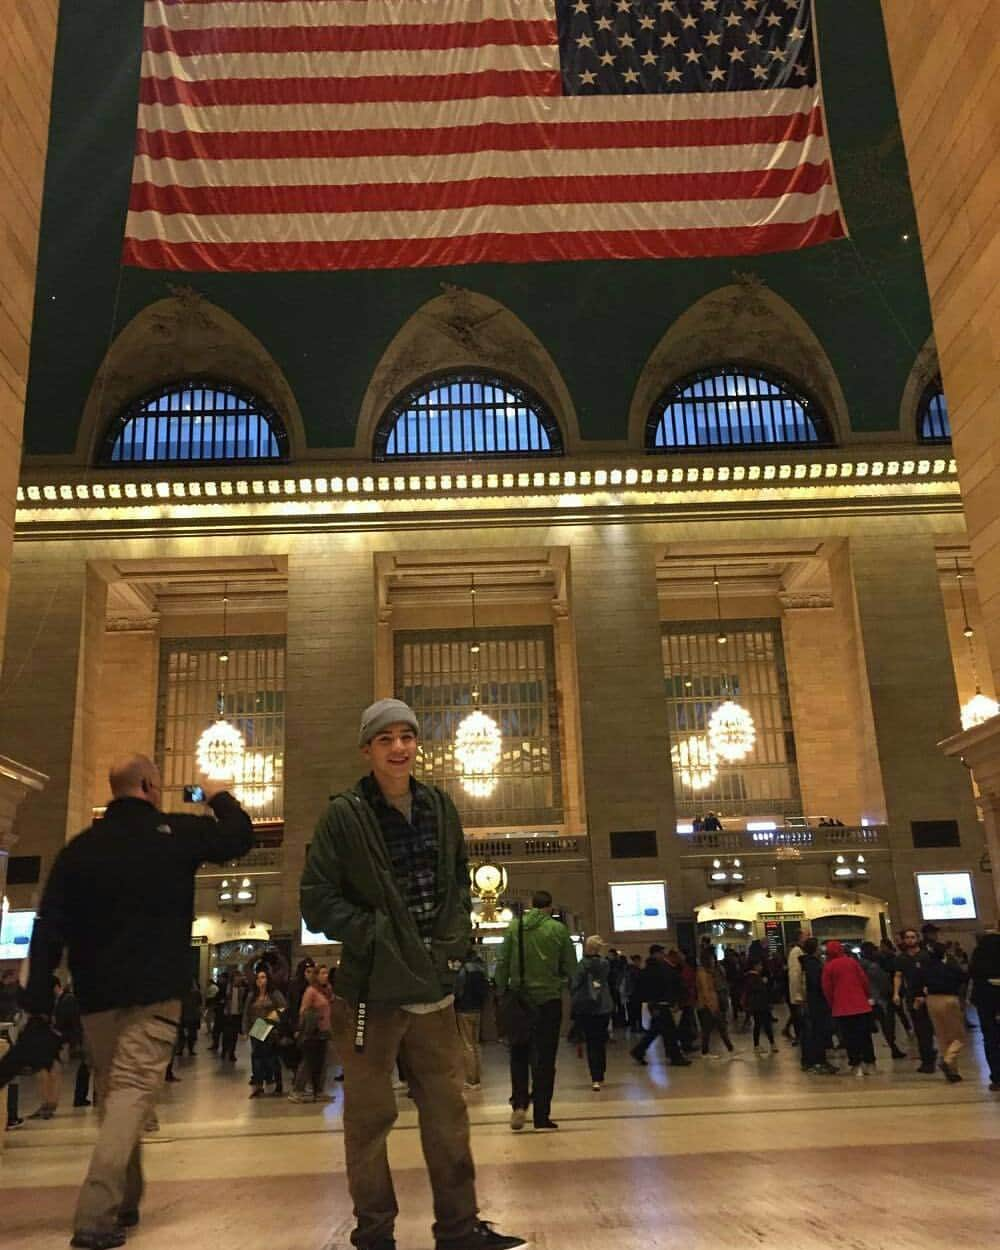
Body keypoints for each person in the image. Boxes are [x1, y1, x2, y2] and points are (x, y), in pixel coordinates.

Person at [300, 697, 524, 1250]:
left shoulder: (440, 807)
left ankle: (459, 1227)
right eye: (386, 739)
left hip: (431, 989)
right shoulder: (344, 816)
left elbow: (455, 880)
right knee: (369, 1121)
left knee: (448, 1114)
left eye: (407, 737)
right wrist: (374, 935)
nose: (399, 748)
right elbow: (316, 900)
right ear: (367, 750)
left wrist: (451, 946)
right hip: (370, 994)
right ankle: (374, 1232)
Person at [22, 753, 252, 1250]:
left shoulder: (80, 849)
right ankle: (95, 1216)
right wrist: (216, 796)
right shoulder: (174, 833)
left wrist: (38, 996)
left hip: (96, 998)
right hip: (155, 993)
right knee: (128, 1095)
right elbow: (239, 836)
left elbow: (47, 926)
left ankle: (128, 1198)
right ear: (150, 784)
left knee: (115, 1094)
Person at [495, 889, 578, 1131]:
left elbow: (502, 963)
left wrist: (502, 991)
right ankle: (541, 1115)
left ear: (531, 906)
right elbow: (571, 968)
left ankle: (519, 1105)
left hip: (519, 1000)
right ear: (550, 908)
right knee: (545, 1059)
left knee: (518, 1053)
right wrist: (560, 982)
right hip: (548, 1001)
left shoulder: (514, 928)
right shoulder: (558, 930)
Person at [629, 945, 690, 1068]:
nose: (663, 955)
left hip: (657, 1004)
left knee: (656, 1031)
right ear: (655, 954)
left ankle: (638, 1051)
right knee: (669, 1032)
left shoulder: (650, 969)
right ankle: (675, 1057)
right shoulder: (656, 969)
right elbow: (663, 985)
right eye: (661, 953)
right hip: (659, 1004)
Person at [822, 941, 876, 1076]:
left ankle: (856, 1065)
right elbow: (864, 981)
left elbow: (827, 989)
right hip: (861, 1005)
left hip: (842, 1007)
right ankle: (870, 1064)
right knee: (865, 1036)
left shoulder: (828, 967)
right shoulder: (852, 962)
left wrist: (832, 1004)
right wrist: (867, 995)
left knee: (849, 1038)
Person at [569, 935, 614, 1090]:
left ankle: (595, 1076)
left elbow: (574, 984)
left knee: (591, 1042)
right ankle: (601, 1074)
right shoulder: (605, 964)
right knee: (600, 1042)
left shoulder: (581, 965)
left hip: (587, 1009)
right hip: (604, 1007)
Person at [919, 943, 967, 1083]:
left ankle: (953, 1072)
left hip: (931, 1001)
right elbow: (964, 977)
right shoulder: (949, 966)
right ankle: (947, 1060)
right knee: (959, 1037)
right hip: (949, 999)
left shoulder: (925, 968)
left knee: (942, 1037)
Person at [893, 926, 937, 1074]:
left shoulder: (926, 956)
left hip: (928, 994)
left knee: (929, 1027)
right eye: (907, 937)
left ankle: (930, 1055)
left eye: (913, 937)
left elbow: (933, 973)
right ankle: (927, 1058)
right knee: (920, 1028)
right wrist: (896, 993)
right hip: (912, 996)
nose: (910, 940)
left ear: (917, 939)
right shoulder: (901, 959)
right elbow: (898, 975)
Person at [289, 963, 334, 1103]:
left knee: (324, 1062)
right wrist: (300, 1029)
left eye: (326, 973)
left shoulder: (328, 990)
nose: (325, 976)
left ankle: (318, 1090)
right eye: (322, 973)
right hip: (312, 1031)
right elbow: (303, 1011)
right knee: (308, 1062)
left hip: (325, 1030)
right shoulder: (311, 991)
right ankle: (297, 1090)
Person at [243, 966, 286, 1097]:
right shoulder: (252, 995)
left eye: (263, 977)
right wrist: (245, 1029)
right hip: (257, 1028)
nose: (260, 980)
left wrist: (273, 1019)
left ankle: (278, 1084)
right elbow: (246, 1013)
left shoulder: (274, 994)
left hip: (270, 1029)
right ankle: (258, 1086)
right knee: (257, 1058)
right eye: (258, 978)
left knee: (272, 1058)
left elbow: (283, 1008)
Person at [859, 941, 906, 1059]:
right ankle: (893, 1047)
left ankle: (866, 1054)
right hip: (880, 999)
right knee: (887, 1024)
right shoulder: (873, 967)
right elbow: (884, 983)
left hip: (866, 999)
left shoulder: (859, 965)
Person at [453, 947, 490, 1090]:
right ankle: (477, 1075)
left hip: (464, 1009)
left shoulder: (463, 971)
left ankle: (472, 1079)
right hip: (477, 1009)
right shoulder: (481, 969)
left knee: (467, 1045)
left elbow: (458, 991)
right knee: (475, 1043)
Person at [969, 930, 1000, 1092]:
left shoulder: (980, 952)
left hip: (985, 998)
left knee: (990, 1038)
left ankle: (997, 1077)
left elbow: (973, 972)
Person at [800, 938, 836, 1074]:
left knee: (812, 1033)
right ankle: (819, 1061)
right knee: (818, 1033)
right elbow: (817, 983)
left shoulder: (805, 962)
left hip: (811, 1001)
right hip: (817, 1003)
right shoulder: (813, 965)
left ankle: (812, 1061)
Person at [696, 949, 734, 1058]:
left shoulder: (708, 972)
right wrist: (712, 1006)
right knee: (709, 1029)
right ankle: (706, 1051)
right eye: (712, 959)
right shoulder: (702, 973)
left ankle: (730, 1048)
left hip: (712, 1004)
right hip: (707, 1005)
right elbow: (705, 991)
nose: (713, 961)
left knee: (718, 1027)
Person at [744, 957, 778, 1055]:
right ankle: (763, 1045)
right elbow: (755, 990)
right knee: (762, 1025)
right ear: (755, 966)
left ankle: (766, 1044)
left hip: (759, 1005)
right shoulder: (752, 977)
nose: (761, 967)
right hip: (759, 1005)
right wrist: (763, 983)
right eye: (759, 965)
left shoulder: (754, 976)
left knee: (761, 1025)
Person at [219, 969, 246, 1063]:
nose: (238, 979)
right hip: (227, 1014)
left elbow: (243, 1002)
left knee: (234, 1035)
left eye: (239, 977)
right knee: (226, 1034)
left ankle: (232, 1053)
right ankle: (224, 1050)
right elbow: (221, 998)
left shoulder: (242, 989)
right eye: (236, 977)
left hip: (237, 1015)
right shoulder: (227, 987)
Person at [784, 931, 806, 1043]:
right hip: (797, 991)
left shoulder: (798, 951)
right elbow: (795, 974)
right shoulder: (796, 952)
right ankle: (800, 1036)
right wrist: (797, 993)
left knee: (797, 1015)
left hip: (797, 991)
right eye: (805, 936)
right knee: (798, 1015)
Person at [178, 979, 202, 1057]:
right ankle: (186, 1050)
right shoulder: (195, 993)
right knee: (187, 1034)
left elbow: (199, 1005)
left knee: (189, 1034)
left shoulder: (196, 994)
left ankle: (186, 1049)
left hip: (188, 1016)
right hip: (187, 1016)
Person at [624, 954, 644, 1033]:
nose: (639, 962)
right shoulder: (635, 970)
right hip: (635, 993)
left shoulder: (629, 970)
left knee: (632, 1011)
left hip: (631, 993)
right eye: (638, 961)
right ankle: (637, 1027)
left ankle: (634, 1027)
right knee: (637, 1011)